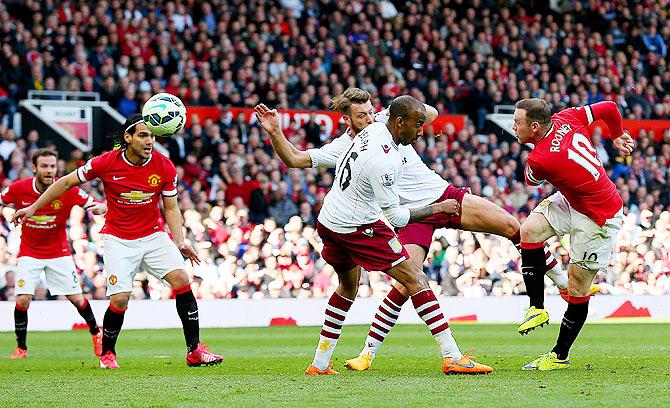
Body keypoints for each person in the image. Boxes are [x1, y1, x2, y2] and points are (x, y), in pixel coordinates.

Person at [255, 87, 566, 371]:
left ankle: (320, 363)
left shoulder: (381, 126)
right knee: (412, 280)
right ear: (347, 121)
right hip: (388, 220)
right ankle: (446, 357)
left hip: (379, 209)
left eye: (371, 111)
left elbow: (428, 114)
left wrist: (409, 116)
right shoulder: (366, 151)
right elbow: (394, 215)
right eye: (360, 115)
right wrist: (275, 133)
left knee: (512, 226)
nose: (368, 117)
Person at [13, 114, 223, 369]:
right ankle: (108, 354)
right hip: (118, 239)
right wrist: (34, 207)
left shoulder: (165, 166)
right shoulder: (105, 163)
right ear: (128, 137)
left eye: (152, 136)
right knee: (120, 300)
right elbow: (67, 181)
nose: (149, 141)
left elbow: (171, 208)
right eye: (143, 135)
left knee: (181, 279)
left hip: (153, 235)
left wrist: (180, 241)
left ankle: (195, 350)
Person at [512, 99, 634, 371]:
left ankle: (559, 355)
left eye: (517, 122)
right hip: (575, 199)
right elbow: (610, 108)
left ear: (534, 126)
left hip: (599, 216)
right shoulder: (567, 116)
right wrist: (616, 136)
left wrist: (539, 148)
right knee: (529, 230)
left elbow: (531, 179)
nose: (514, 127)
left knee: (578, 286)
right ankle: (537, 307)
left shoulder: (540, 158)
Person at [0, 148, 106, 359]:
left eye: (52, 166)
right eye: (44, 166)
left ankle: (96, 333)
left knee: (76, 298)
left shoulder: (66, 187)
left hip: (59, 252)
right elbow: (2, 200)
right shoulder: (19, 188)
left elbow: (91, 202)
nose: (49, 171)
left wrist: (99, 207)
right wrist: (6, 212)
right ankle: (21, 348)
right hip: (29, 252)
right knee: (22, 300)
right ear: (34, 168)